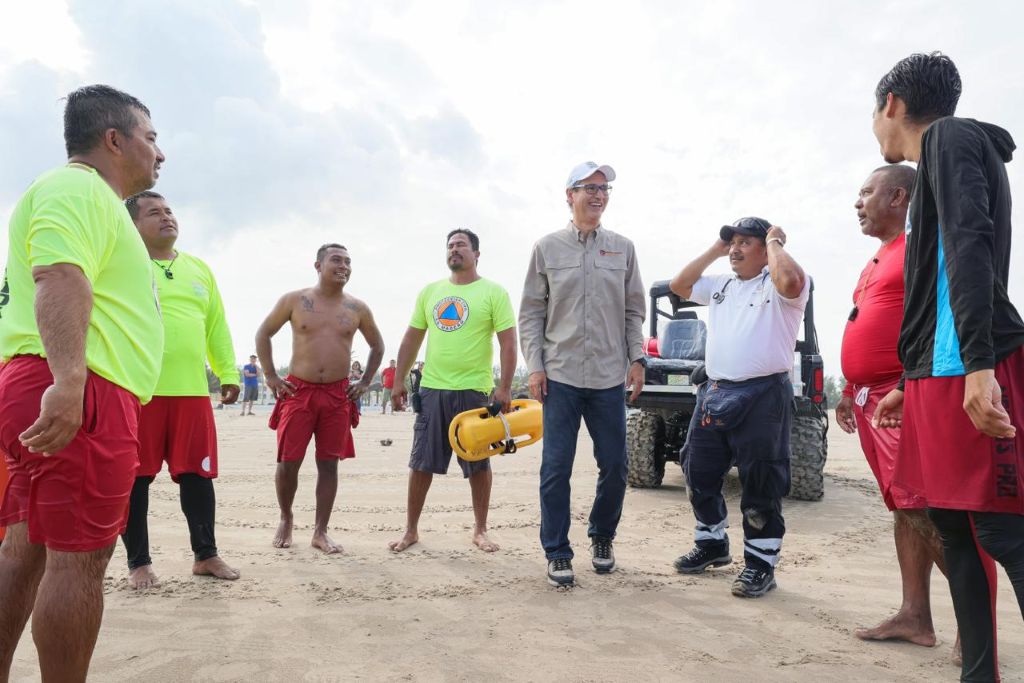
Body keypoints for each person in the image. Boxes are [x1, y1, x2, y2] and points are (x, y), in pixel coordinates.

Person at [0, 85, 165, 681]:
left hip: (59, 380)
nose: (159, 153)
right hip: (80, 387)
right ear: (114, 140)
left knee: (26, 547)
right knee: (79, 561)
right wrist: (70, 380)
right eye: (151, 137)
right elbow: (59, 275)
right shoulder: (77, 188)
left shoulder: (83, 196)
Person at [871, 52, 1024, 681]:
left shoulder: (950, 138)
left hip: (972, 365)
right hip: (941, 372)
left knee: (1002, 527)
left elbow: (969, 242)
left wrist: (978, 369)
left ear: (892, 105)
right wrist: (914, 381)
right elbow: (935, 275)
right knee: (952, 528)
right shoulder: (943, 152)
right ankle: (978, 674)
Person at [839, 165, 972, 652]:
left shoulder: (923, 245)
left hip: (904, 397)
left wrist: (904, 383)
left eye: (865, 192)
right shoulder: (880, 255)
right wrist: (850, 386)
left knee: (921, 506)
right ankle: (916, 616)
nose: (858, 203)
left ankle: (975, 622)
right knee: (903, 508)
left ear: (898, 196)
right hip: (870, 397)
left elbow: (943, 319)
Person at [519, 161, 646, 587]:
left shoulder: (623, 248)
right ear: (568, 195)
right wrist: (535, 366)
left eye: (604, 188)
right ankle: (557, 550)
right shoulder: (547, 248)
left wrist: (637, 359)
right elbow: (532, 313)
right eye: (588, 187)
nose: (598, 194)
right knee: (556, 467)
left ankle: (602, 536)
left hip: (609, 376)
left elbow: (633, 311)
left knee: (615, 464)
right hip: (561, 376)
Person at [669, 216, 809, 598]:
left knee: (761, 481)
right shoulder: (721, 285)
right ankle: (712, 542)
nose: (735, 248)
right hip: (715, 391)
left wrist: (776, 242)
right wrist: (717, 247)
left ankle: (760, 565)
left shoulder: (780, 284)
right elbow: (679, 285)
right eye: (733, 242)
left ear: (765, 250)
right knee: (696, 468)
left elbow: (791, 282)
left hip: (764, 395)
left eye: (746, 242)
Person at [118, 190, 241, 590]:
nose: (166, 217)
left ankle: (206, 555)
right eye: (154, 213)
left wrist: (228, 373)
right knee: (135, 479)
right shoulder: (122, 265)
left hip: (190, 393)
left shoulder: (199, 269)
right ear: (133, 225)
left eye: (169, 211)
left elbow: (216, 327)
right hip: (138, 391)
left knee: (198, 476)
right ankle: (139, 562)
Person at [388, 229, 516, 553]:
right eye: (450, 246)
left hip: (473, 392)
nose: (454, 250)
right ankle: (411, 530)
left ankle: (480, 530)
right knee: (420, 462)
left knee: (479, 463)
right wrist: (398, 380)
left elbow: (508, 342)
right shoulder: (430, 292)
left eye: (461, 245)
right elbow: (411, 338)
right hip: (432, 390)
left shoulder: (493, 292)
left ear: (476, 253)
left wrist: (503, 387)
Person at [256, 244, 384, 553]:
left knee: (329, 465)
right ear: (318, 265)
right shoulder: (295, 300)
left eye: (348, 262)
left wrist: (365, 381)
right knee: (288, 462)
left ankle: (320, 531)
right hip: (299, 392)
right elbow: (263, 334)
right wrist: (271, 376)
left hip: (337, 395)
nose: (344, 266)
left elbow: (377, 345)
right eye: (336, 260)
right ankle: (286, 518)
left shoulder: (357, 308)